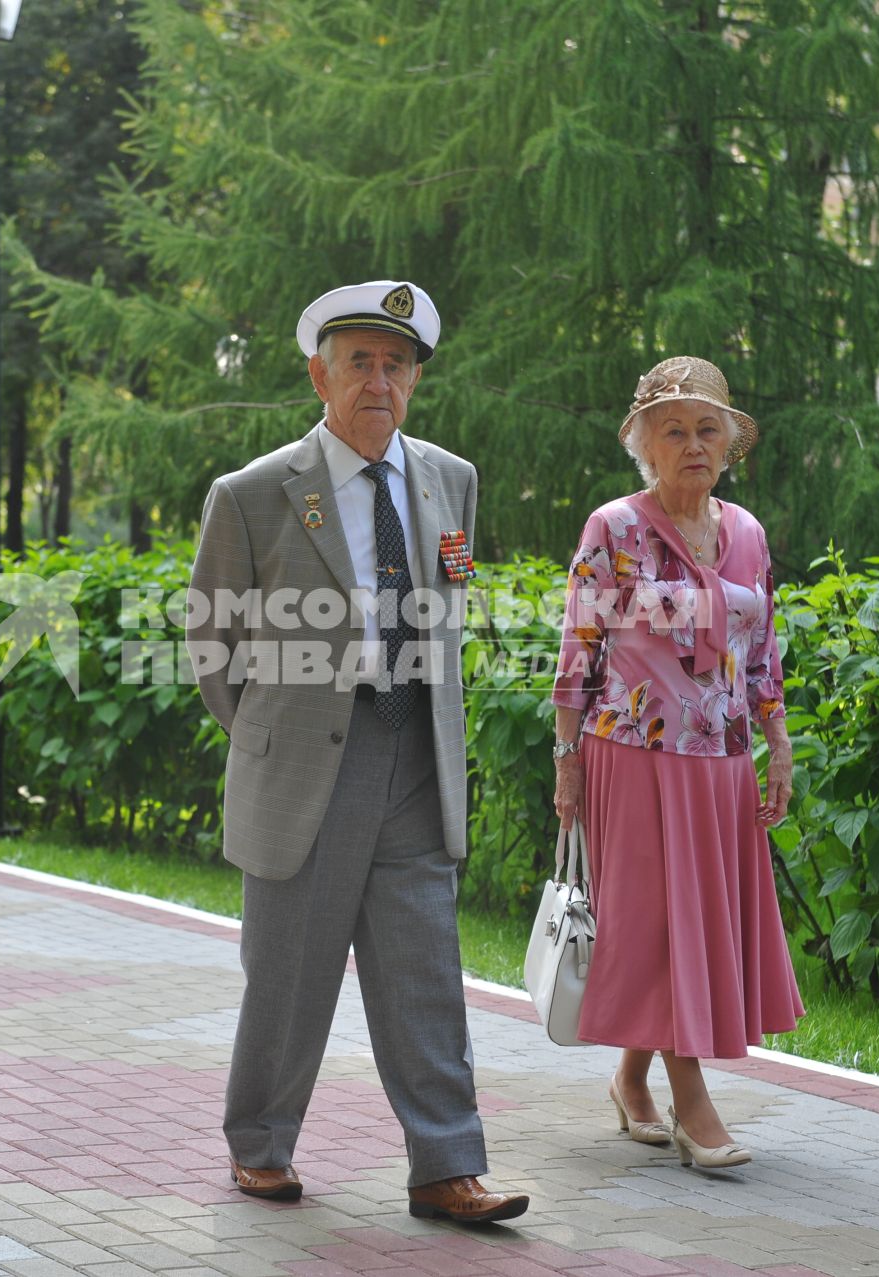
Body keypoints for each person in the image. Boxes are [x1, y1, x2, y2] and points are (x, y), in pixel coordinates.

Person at [187, 280, 528, 1224]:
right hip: (308, 765)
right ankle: (259, 1146)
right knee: (290, 971)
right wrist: (273, 735)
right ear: (318, 374)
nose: (380, 380)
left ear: (415, 378)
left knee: (425, 968)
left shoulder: (449, 477)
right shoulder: (253, 494)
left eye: (398, 364)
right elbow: (212, 651)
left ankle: (447, 1166)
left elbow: (450, 607)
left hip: (415, 750)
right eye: (360, 363)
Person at [550, 355, 804, 1170]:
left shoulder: (749, 534)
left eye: (708, 429)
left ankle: (632, 1080)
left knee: (688, 923)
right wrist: (565, 758)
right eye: (674, 430)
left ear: (729, 444)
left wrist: (779, 742)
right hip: (633, 755)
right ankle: (692, 1100)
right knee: (660, 925)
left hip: (721, 762)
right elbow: (578, 649)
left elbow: (760, 651)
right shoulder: (614, 528)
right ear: (644, 445)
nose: (694, 444)